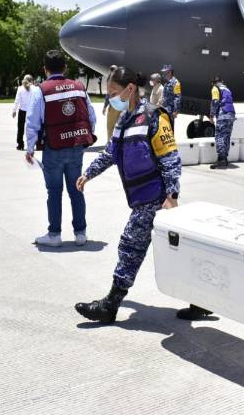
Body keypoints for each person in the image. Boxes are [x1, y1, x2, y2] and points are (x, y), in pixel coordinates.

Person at [74, 67, 181, 323]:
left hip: (154, 198)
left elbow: (170, 158)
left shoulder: (155, 116)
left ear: (130, 89)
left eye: (113, 93)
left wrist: (172, 195)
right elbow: (111, 153)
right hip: (140, 197)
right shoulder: (124, 119)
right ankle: (200, 301)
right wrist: (88, 174)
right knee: (175, 251)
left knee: (129, 245)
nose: (111, 98)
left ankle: (110, 305)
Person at [25, 50, 96, 247]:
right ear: (65, 67)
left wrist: (30, 148)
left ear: (45, 69)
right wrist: (85, 137)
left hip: (53, 147)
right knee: (76, 190)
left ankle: (54, 235)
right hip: (75, 147)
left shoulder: (41, 90)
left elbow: (32, 121)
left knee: (54, 192)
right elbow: (91, 116)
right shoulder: (79, 87)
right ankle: (80, 233)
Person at [209, 76, 236, 170]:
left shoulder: (215, 88)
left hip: (223, 114)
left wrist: (211, 114)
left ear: (214, 83)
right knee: (226, 137)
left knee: (219, 137)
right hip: (231, 114)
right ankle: (224, 159)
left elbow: (215, 101)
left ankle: (221, 159)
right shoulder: (227, 89)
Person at [12, 75, 34, 150]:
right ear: (31, 80)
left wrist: (14, 110)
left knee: (20, 128)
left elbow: (17, 100)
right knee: (32, 129)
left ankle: (20, 144)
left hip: (22, 111)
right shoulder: (34, 88)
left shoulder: (20, 88)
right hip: (32, 111)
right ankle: (32, 144)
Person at [102, 65, 120, 144]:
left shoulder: (111, 79)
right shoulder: (120, 78)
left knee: (111, 125)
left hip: (115, 105)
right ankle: (112, 142)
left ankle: (110, 142)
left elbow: (108, 94)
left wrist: (105, 106)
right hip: (119, 104)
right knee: (116, 125)